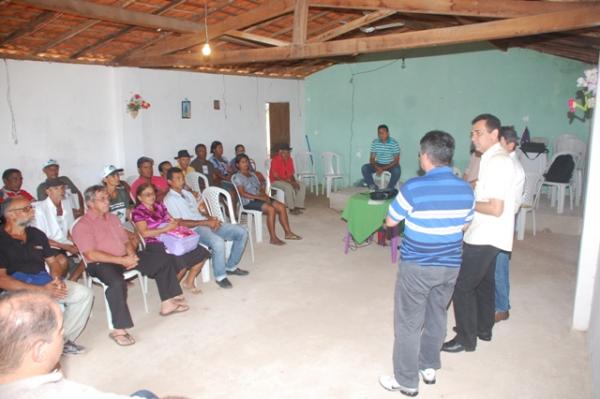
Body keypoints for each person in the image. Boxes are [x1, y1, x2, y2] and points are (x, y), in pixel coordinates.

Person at [378, 131, 475, 397]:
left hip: (417, 266)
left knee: (409, 323)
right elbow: (465, 224)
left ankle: (407, 381)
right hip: (450, 265)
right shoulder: (466, 188)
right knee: (437, 314)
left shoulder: (413, 188)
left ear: (425, 156)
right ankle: (429, 366)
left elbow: (390, 222)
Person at [442, 114, 523, 353]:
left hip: (485, 234)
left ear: (494, 134)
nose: (473, 138)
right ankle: (483, 328)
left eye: (478, 133)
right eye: (472, 133)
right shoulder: (494, 158)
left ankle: (466, 339)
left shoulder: (497, 161)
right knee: (484, 282)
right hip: (494, 234)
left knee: (463, 284)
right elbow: (487, 190)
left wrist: (468, 205)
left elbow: (495, 208)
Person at [72, 185, 190, 346]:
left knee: (163, 260)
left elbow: (125, 240)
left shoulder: (112, 218)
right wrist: (121, 261)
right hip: (101, 263)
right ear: (90, 204)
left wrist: (130, 254)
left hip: (123, 257)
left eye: (108, 198)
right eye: (103, 199)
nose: (108, 201)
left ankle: (167, 303)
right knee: (116, 282)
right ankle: (119, 329)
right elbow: (90, 254)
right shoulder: (82, 225)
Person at [0, 291, 173, 399]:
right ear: (39, 349)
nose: (64, 334)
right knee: (145, 395)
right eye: (61, 330)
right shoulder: (63, 394)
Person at [0, 197, 92, 355]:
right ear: (11, 215)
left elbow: (53, 262)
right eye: (26, 209)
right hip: (16, 288)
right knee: (38, 307)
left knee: (83, 294)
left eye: (31, 207)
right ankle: (32, 348)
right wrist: (40, 290)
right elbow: (2, 279)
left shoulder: (36, 234)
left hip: (44, 281)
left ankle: (62, 341)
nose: (32, 211)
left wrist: (56, 280)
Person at [164, 167, 249, 289]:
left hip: (203, 223)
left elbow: (200, 210)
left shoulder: (187, 194)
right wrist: (206, 223)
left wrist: (211, 219)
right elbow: (180, 223)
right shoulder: (169, 200)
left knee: (241, 232)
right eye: (177, 179)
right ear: (169, 182)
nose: (181, 181)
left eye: (182, 178)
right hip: (192, 231)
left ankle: (230, 266)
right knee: (217, 241)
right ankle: (220, 276)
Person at [131, 183, 210, 294]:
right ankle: (172, 292)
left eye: (153, 193)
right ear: (139, 197)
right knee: (181, 261)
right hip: (154, 242)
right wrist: (165, 229)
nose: (151, 196)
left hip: (171, 238)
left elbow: (170, 219)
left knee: (202, 253)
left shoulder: (159, 205)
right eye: (147, 194)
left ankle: (189, 282)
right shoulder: (138, 212)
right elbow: (144, 233)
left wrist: (173, 222)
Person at [232, 154, 301, 246]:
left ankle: (288, 233)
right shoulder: (238, 177)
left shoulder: (252, 175)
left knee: (281, 206)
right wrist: (261, 197)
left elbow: (259, 187)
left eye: (247, 161)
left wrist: (263, 193)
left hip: (259, 197)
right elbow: (242, 193)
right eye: (243, 162)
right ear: (237, 165)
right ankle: (273, 238)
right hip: (249, 201)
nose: (246, 164)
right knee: (271, 209)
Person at [494, 126, 525, 323]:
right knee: (493, 265)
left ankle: (502, 308)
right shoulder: (504, 164)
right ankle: (497, 303)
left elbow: (506, 204)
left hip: (501, 222)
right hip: (498, 221)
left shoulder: (512, 167)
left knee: (499, 265)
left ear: (510, 144)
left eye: (499, 142)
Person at [32, 178, 85, 282]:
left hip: (64, 241)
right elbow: (40, 239)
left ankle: (71, 281)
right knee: (62, 261)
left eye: (62, 188)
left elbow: (70, 230)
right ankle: (55, 284)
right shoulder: (40, 209)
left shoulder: (66, 204)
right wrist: (66, 247)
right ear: (48, 191)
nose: (61, 191)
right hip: (48, 244)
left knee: (89, 250)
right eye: (56, 188)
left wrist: (76, 243)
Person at [361, 124, 401, 190]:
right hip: (378, 164)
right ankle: (373, 186)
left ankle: (390, 188)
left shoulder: (394, 143)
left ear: (387, 133)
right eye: (379, 133)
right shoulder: (375, 142)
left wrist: (382, 169)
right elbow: (372, 159)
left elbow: (396, 161)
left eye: (383, 132)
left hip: (390, 164)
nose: (381, 134)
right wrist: (377, 167)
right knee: (364, 168)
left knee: (397, 170)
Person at [269, 144, 306, 215]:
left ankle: (298, 205)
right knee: (288, 187)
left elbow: (291, 173)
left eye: (288, 152)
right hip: (276, 181)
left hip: (287, 179)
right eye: (285, 152)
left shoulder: (290, 159)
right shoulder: (275, 160)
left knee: (302, 185)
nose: (287, 154)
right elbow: (276, 176)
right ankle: (291, 208)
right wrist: (291, 183)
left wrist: (294, 182)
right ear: (280, 152)